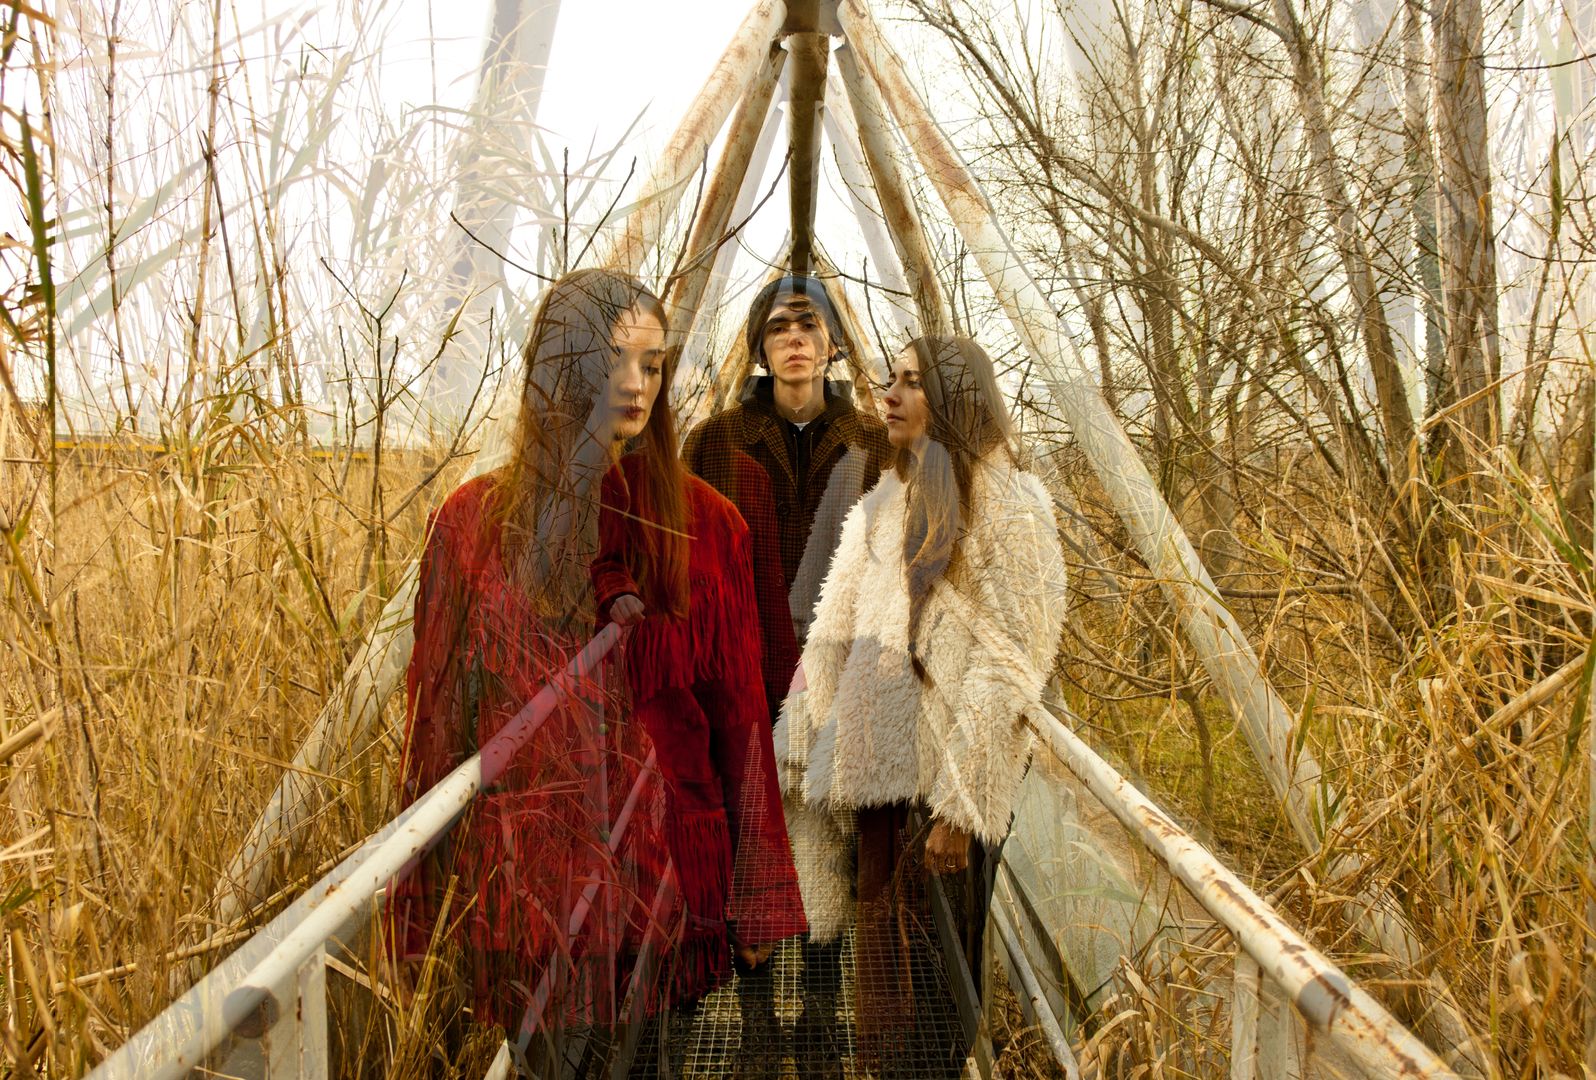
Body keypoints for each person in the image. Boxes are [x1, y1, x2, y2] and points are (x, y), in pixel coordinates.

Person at [392, 268, 804, 1076]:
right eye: (612, 360)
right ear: (561, 368)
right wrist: (420, 898)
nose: (636, 384)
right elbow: (434, 722)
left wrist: (759, 894)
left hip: (669, 881)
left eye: (652, 364)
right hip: (532, 884)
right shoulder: (473, 524)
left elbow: (741, 720)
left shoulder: (707, 525)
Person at [774, 335, 1068, 1078]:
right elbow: (835, 621)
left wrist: (960, 809)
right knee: (885, 979)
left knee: (939, 981)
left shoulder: (1013, 505)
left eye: (912, 382)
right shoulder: (890, 499)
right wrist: (799, 736)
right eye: (891, 379)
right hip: (880, 775)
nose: (891, 395)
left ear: (955, 400)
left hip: (942, 785)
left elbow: (1011, 662)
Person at [680, 273, 891, 1075]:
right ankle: (762, 1023)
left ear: (833, 343)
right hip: (745, 670)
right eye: (778, 327)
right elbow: (686, 555)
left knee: (830, 839)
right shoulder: (716, 442)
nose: (795, 338)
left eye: (809, 325)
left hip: (841, 674)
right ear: (760, 348)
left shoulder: (874, 443)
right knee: (750, 842)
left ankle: (823, 1013)